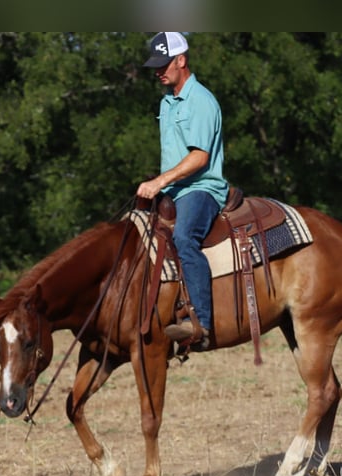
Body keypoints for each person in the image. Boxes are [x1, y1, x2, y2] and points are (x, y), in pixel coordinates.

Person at [136, 32, 229, 350]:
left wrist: (160, 182)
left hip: (200, 187)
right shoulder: (167, 101)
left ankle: (200, 324)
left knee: (184, 238)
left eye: (164, 65)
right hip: (174, 188)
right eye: (155, 66)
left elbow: (200, 157)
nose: (159, 71)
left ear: (181, 60)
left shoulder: (201, 100)